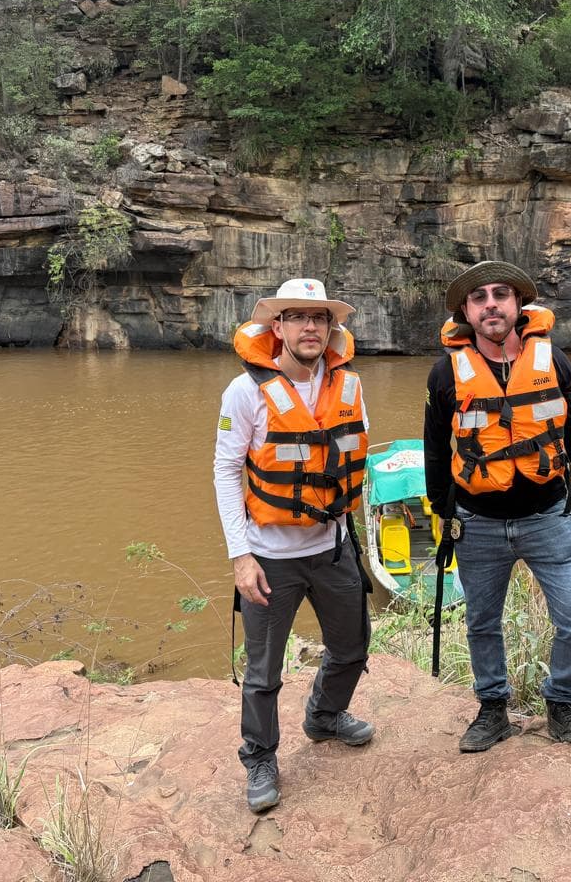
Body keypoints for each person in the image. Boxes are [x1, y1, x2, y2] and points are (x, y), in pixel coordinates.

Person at [423, 261, 571, 752]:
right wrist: (443, 514)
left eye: (501, 294)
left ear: (519, 306)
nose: (491, 304)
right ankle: (492, 709)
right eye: (479, 298)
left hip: (549, 518)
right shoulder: (445, 374)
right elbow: (435, 448)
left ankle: (561, 704)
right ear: (467, 312)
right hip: (477, 523)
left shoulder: (553, 362)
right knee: (481, 622)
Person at [214, 278, 374, 814]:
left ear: (331, 329)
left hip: (332, 547)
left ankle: (324, 717)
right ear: (276, 327)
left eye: (320, 318)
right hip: (269, 558)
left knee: (351, 646)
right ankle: (260, 755)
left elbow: (355, 460)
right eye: (297, 317)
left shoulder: (349, 386)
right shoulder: (245, 391)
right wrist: (241, 556)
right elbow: (225, 471)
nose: (310, 327)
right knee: (262, 672)